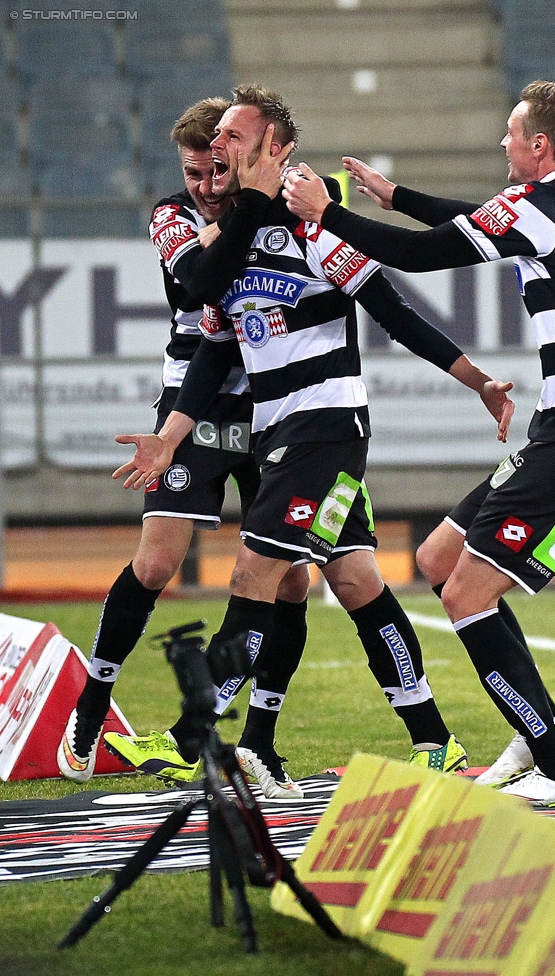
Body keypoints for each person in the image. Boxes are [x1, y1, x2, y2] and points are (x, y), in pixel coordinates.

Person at [115, 83, 515, 778]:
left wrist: (475, 378)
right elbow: (214, 346)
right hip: (281, 439)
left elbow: (389, 306)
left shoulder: (312, 222)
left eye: (234, 137)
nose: (219, 147)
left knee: (254, 572)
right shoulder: (234, 235)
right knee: (358, 579)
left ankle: (191, 740)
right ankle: (431, 739)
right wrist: (173, 436)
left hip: (325, 429)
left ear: (276, 149)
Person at [282, 80, 555, 807]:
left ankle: (553, 757)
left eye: (511, 135)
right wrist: (397, 198)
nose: (502, 146)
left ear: (539, 147)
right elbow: (478, 221)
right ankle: (538, 723)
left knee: (465, 592)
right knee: (438, 559)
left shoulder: (542, 208)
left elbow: (421, 259)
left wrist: (327, 216)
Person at [57, 97, 311, 799]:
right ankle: (92, 702)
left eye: (213, 170)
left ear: (239, 161)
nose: (202, 184)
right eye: (192, 172)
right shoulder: (173, 216)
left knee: (292, 580)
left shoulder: (272, 206)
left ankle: (260, 739)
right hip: (193, 405)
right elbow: (203, 283)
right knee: (158, 560)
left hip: (273, 404)